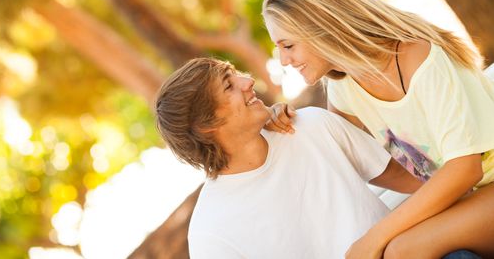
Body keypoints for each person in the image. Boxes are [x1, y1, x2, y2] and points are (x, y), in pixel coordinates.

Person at [262, 0, 494, 258]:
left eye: (288, 45)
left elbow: (465, 168)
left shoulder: (417, 57)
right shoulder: (344, 88)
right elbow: (349, 154)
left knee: (401, 250)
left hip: (482, 184)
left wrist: (374, 237)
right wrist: (286, 121)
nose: (284, 60)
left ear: (324, 28)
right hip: (473, 196)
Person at [154, 57, 422, 259]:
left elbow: (418, 184)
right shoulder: (211, 234)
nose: (248, 82)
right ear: (206, 126)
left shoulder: (311, 126)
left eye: (236, 74)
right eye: (229, 86)